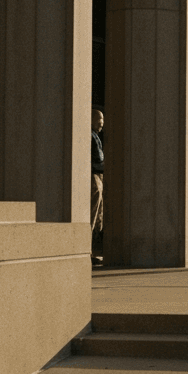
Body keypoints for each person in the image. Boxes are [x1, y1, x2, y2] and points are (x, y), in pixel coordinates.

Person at [91, 108, 105, 266]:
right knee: (94, 215)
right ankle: (89, 252)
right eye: (99, 121)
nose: (101, 124)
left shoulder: (96, 136)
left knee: (98, 216)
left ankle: (92, 251)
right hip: (94, 175)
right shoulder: (91, 136)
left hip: (97, 176)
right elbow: (98, 158)